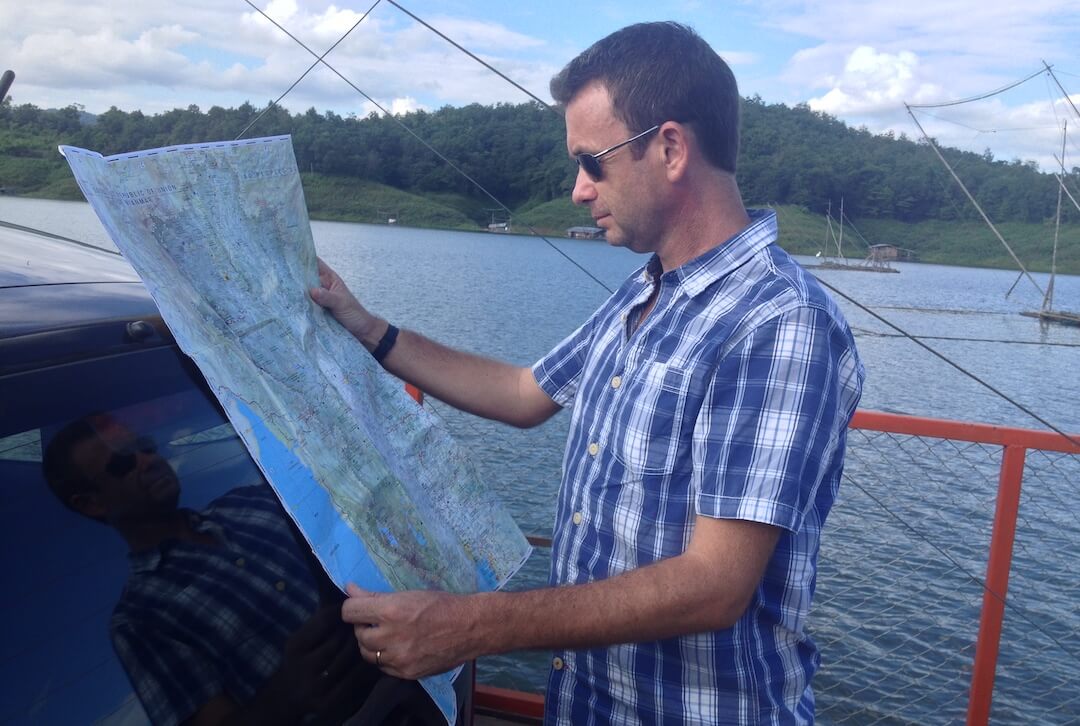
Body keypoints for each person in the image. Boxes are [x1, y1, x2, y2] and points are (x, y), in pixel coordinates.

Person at [312, 21, 864, 724]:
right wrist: (371, 330)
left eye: (591, 162)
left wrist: (470, 625)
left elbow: (714, 585)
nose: (578, 190)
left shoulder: (780, 322)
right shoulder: (646, 291)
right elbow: (523, 393)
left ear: (669, 148)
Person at [42, 413, 380, 726]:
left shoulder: (251, 502)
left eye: (143, 446)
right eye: (122, 462)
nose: (148, 460)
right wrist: (285, 698)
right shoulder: (140, 619)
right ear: (91, 503)